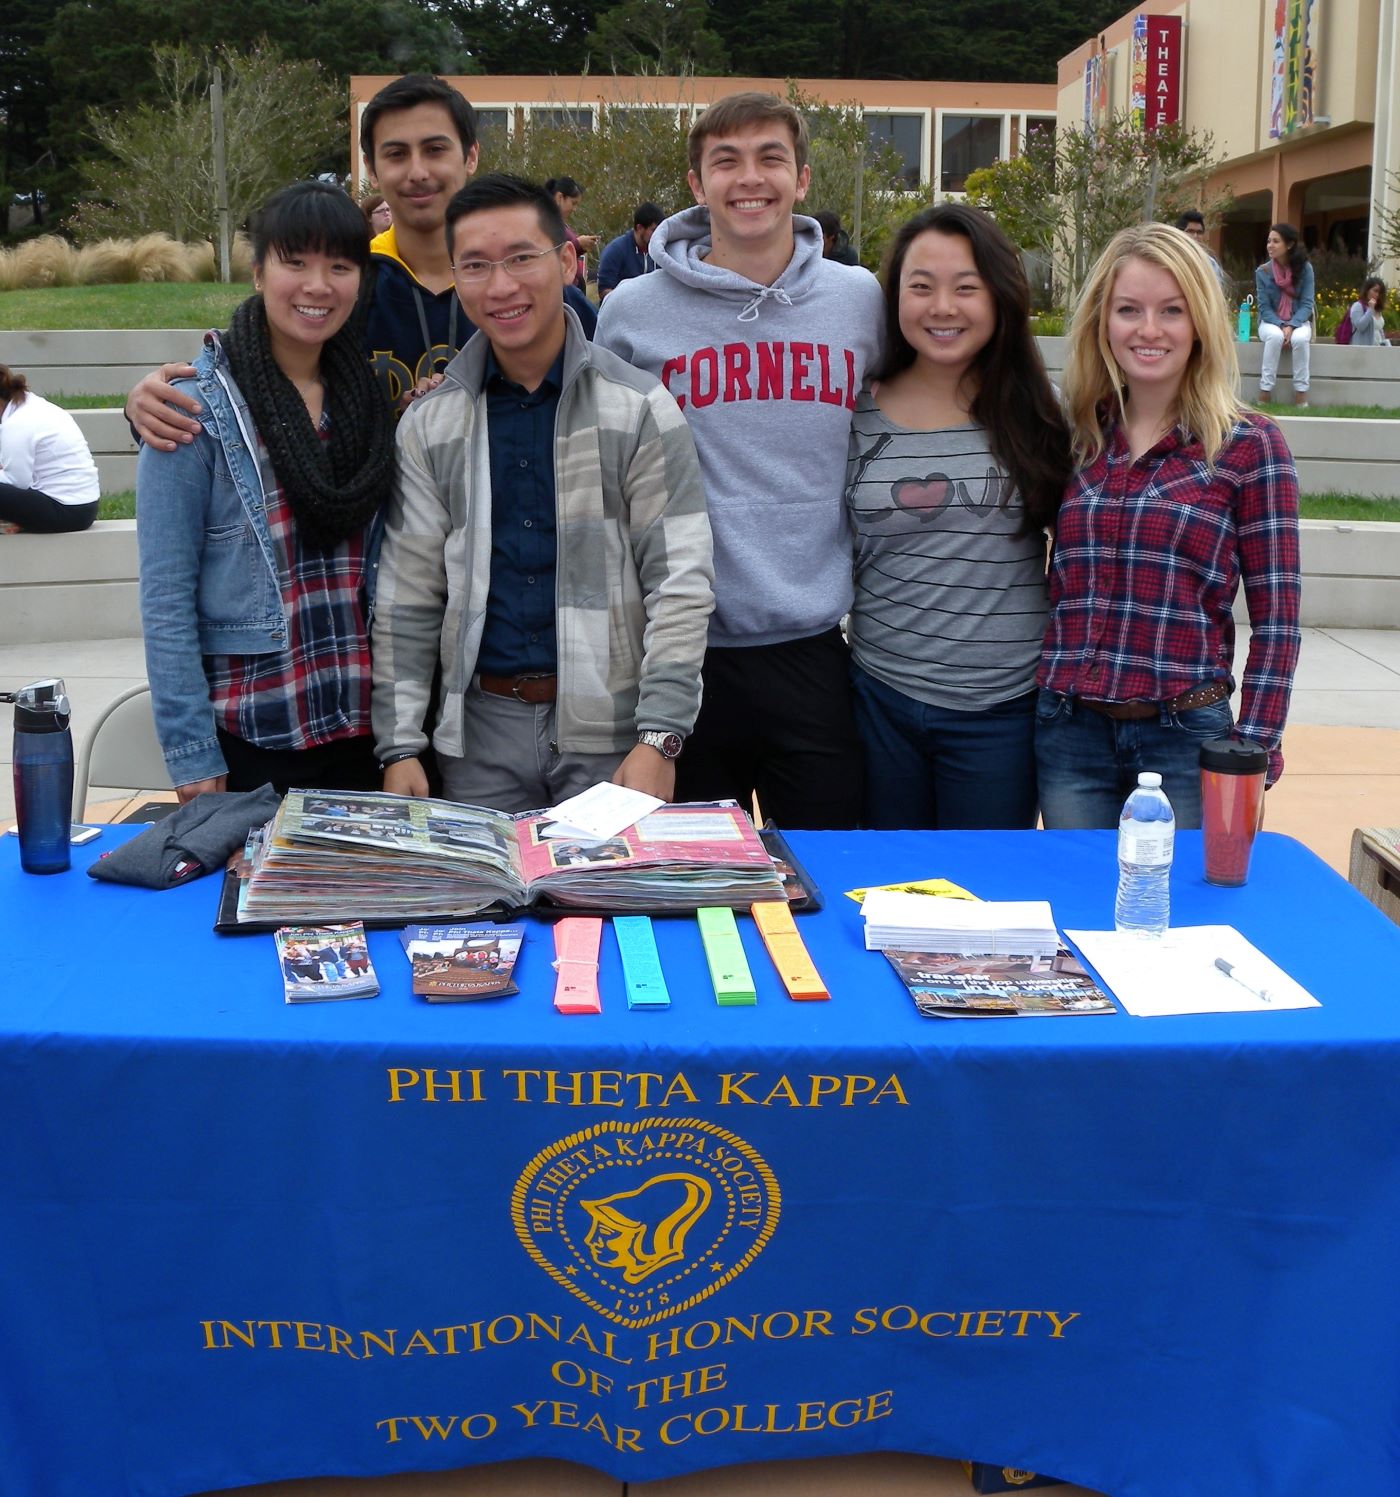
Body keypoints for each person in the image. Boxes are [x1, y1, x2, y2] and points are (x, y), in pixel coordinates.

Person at [371, 174, 714, 813]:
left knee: (610, 911)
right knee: (485, 914)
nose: (500, 286)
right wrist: (399, 744)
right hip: (478, 737)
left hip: (612, 734)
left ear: (565, 261)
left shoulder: (639, 409)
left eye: (521, 258)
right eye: (475, 266)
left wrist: (661, 737)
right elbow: (407, 594)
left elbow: (680, 581)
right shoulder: (431, 424)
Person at [596, 91, 884, 830]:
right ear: (696, 185)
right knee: (686, 885)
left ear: (803, 178)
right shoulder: (632, 310)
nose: (748, 178)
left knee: (823, 874)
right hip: (681, 653)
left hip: (813, 646)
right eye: (726, 161)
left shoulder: (859, 302)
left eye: (770, 158)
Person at [124, 75, 597, 448]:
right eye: (396, 154)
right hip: (365, 541)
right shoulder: (343, 285)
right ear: (372, 168)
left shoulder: (531, 293)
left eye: (435, 149)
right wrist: (149, 400)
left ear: (471, 155)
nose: (417, 172)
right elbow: (252, 364)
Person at [1036, 221, 1301, 830]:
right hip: (1070, 734)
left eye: (1171, 311)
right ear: (1104, 321)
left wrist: (1253, 747)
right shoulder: (1074, 437)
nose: (1148, 329)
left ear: (1200, 323)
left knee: (1187, 918)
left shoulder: (1249, 446)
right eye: (1129, 309)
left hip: (1186, 739)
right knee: (1080, 909)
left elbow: (1278, 620)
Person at [137, 181, 394, 802]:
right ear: (258, 273)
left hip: (367, 734)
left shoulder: (369, 403)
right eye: (295, 262)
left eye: (339, 265)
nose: (317, 285)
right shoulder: (194, 412)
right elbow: (165, 596)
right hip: (253, 739)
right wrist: (190, 752)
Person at [845, 204, 1071, 831]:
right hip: (880, 699)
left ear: (999, 297)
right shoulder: (855, 407)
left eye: (965, 288)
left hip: (1001, 711)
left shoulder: (1037, 411)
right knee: (889, 892)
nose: (942, 307)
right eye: (921, 287)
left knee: (982, 902)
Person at [0, 366, 100, 534]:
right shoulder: (30, 405)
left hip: (67, 511)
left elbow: (17, 481)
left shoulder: (18, 423)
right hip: (82, 507)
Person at [1255, 221, 1314, 406]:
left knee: (1300, 339)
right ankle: (1265, 392)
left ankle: (1301, 395)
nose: (1270, 245)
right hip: (1270, 323)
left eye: (1276, 241)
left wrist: (1292, 325)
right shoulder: (1263, 271)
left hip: (1299, 321)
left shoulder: (1305, 269)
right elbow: (1264, 308)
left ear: (1289, 245)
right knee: (1274, 337)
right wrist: (1281, 325)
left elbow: (1306, 304)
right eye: (1268, 241)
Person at [597, 202, 663, 299]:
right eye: (653, 230)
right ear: (639, 228)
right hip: (620, 310)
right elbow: (604, 290)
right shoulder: (615, 250)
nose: (658, 234)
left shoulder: (660, 253)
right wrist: (631, 301)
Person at [546, 176, 598, 291]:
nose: (574, 209)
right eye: (573, 203)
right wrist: (578, 244)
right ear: (560, 197)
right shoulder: (545, 224)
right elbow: (551, 254)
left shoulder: (560, 223)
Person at [1175, 210, 1225, 290]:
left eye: (1199, 232)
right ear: (1178, 233)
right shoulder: (1170, 259)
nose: (1195, 236)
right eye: (1190, 231)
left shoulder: (1210, 264)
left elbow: (1217, 291)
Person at [1348, 277, 1388, 346]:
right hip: (1362, 349)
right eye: (1375, 291)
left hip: (1377, 350)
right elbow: (1360, 326)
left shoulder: (1377, 309)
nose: (1377, 295)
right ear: (1367, 290)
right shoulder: (1358, 306)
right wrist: (1370, 309)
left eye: (1380, 292)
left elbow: (1379, 329)